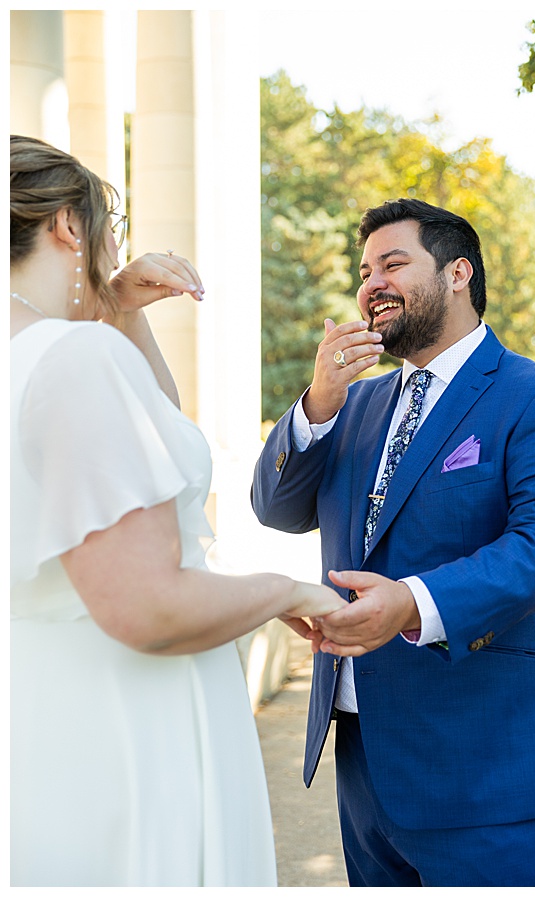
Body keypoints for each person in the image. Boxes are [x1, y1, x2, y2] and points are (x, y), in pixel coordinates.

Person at [9, 135, 345, 886]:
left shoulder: (59, 354)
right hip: (119, 725)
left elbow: (153, 444)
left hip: (36, 714)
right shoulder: (71, 359)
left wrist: (118, 312)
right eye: (106, 234)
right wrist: (288, 590)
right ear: (69, 226)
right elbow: (148, 603)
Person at [251, 198, 535, 887]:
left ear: (458, 271)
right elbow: (276, 507)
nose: (371, 281)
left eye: (393, 262)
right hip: (366, 762)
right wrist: (318, 401)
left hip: (491, 763)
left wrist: (411, 603)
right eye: (364, 269)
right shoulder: (353, 404)